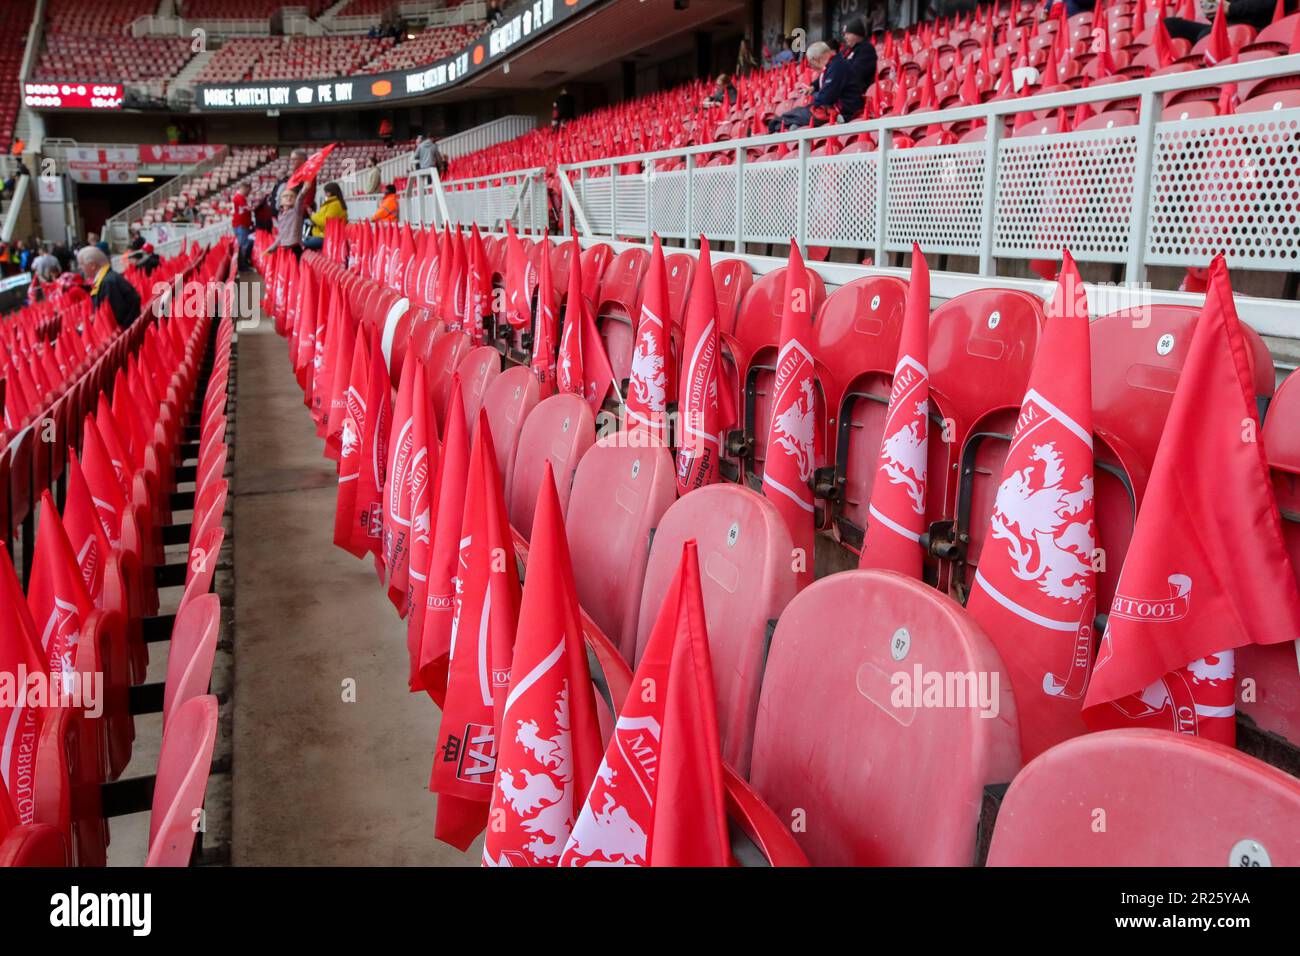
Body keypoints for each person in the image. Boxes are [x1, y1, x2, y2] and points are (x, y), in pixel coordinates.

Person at [767, 41, 863, 132]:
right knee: (793, 115)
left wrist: (813, 99)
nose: (812, 67)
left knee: (788, 117)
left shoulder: (837, 67)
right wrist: (813, 88)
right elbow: (823, 84)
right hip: (833, 108)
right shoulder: (835, 64)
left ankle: (776, 126)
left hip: (840, 112)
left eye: (811, 64)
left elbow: (826, 97)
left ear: (815, 60)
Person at [79, 245, 140, 329]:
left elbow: (115, 316)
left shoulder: (108, 282)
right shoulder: (109, 277)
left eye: (81, 264)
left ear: (93, 265)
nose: (80, 268)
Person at [1164, 0, 1277, 44]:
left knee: (1206, 35)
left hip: (1255, 26)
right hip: (1226, 25)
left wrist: (1231, 8)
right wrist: (1213, 8)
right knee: (1169, 26)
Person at [264, 186, 310, 258]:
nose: (289, 198)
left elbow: (300, 198)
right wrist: (273, 247)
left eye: (292, 196)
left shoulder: (296, 211)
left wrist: (305, 188)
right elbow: (281, 235)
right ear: (281, 201)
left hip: (295, 248)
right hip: (284, 248)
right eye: (285, 196)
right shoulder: (280, 215)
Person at [304, 182, 348, 251]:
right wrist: (313, 214)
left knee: (303, 242)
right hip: (323, 234)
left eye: (325, 192)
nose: (324, 194)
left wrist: (312, 215)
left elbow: (325, 221)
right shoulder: (331, 203)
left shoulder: (335, 205)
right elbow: (321, 216)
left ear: (329, 193)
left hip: (327, 236)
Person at [842, 17, 877, 95]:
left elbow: (856, 73)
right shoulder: (846, 50)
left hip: (857, 93)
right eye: (844, 34)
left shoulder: (866, 49)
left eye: (848, 34)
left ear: (857, 34)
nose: (845, 37)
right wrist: (814, 85)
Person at [231, 182, 253, 269]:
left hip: (242, 224)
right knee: (243, 245)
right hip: (240, 224)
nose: (249, 193)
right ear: (245, 188)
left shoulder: (241, 197)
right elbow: (246, 208)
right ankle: (242, 266)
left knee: (244, 244)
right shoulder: (238, 197)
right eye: (248, 190)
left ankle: (243, 264)